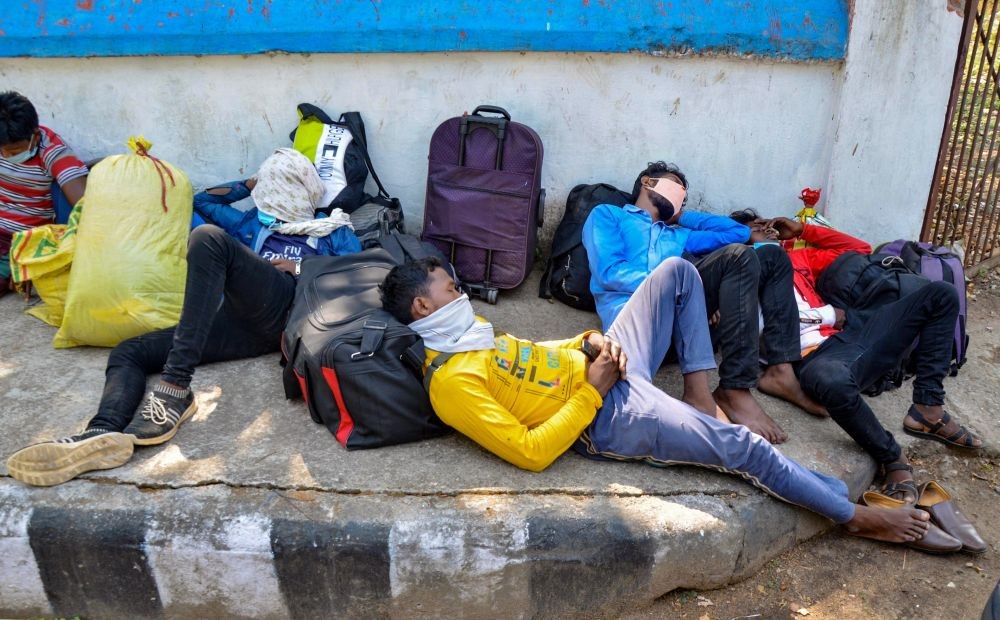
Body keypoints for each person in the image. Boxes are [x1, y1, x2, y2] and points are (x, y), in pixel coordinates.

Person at [378, 256, 955, 551]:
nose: (460, 292)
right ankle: (856, 517)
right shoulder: (452, 381)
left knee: (678, 273)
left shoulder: (472, 333)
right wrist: (594, 388)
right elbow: (530, 453)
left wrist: (588, 342)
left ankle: (701, 394)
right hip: (606, 414)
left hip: (607, 365)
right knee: (743, 447)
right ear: (423, 310)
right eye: (448, 288)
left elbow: (533, 351)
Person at [6, 148, 361, 486]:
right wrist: (250, 184)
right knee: (130, 351)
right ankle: (102, 431)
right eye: (269, 184)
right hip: (244, 324)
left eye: (281, 183)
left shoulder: (331, 229)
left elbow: (358, 271)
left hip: (287, 306)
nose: (274, 193)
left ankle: (175, 385)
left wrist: (299, 266)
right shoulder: (251, 222)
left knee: (207, 238)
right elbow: (202, 200)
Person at [729, 212, 983, 503]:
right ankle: (892, 458)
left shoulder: (796, 260)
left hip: (850, 334)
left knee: (941, 293)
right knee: (831, 381)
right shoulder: (737, 270)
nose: (766, 230)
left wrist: (802, 230)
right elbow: (754, 320)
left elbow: (859, 250)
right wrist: (825, 313)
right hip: (811, 357)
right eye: (755, 228)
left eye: (767, 224)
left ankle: (927, 408)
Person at [582, 161, 823, 445]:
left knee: (769, 256)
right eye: (675, 185)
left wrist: (680, 215)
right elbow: (610, 274)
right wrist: (683, 290)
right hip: (639, 327)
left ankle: (772, 373)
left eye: (683, 195)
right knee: (721, 260)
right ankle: (725, 391)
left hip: (684, 332)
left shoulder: (679, 234)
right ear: (648, 182)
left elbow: (736, 233)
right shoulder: (608, 215)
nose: (680, 194)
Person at [0, 91, 88, 297]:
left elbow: (84, 204)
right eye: (2, 150)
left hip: (23, 241)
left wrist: (42, 261)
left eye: (14, 151)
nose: (6, 156)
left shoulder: (52, 152)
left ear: (35, 136)